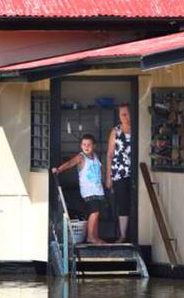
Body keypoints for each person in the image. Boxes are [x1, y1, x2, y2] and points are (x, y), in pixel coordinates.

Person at [52, 134, 106, 244]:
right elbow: (70, 163)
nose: (86, 147)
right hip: (88, 191)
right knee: (94, 212)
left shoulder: (95, 156)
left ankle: (95, 236)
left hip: (98, 190)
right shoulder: (81, 157)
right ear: (81, 146)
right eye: (84, 144)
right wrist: (59, 169)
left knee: (96, 213)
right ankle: (90, 237)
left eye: (89, 145)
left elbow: (100, 171)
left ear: (94, 146)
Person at [106, 103, 132, 243]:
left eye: (127, 113)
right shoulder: (116, 131)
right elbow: (110, 155)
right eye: (122, 114)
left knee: (134, 201)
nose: (125, 117)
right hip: (119, 172)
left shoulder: (137, 129)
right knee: (122, 203)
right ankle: (123, 235)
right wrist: (108, 177)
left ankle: (133, 233)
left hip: (134, 173)